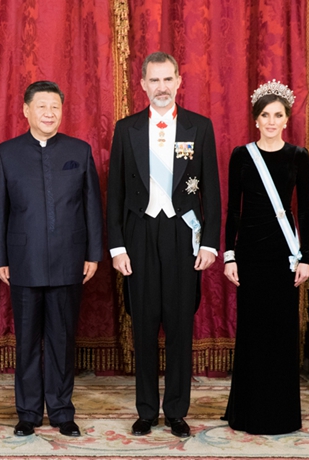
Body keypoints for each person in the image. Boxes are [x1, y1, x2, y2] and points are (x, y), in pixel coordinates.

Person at [107, 52, 221, 438]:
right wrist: (117, 247)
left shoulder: (199, 127)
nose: (161, 87)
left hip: (182, 235)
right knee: (143, 326)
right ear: (142, 84)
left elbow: (212, 192)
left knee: (179, 326)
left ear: (178, 81)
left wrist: (209, 244)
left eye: (167, 79)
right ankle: (145, 411)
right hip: (139, 235)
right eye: (154, 80)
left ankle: (175, 410)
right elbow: (114, 193)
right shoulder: (126, 129)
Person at [0, 81, 103, 438]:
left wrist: (93, 253)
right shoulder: (6, 153)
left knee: (62, 341)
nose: (49, 113)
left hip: (70, 261)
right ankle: (27, 413)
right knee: (27, 342)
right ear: (26, 110)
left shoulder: (79, 151)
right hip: (23, 261)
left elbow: (92, 206)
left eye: (55, 106)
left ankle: (62, 411)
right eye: (41, 106)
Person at [222, 80, 309, 434]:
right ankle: (248, 412)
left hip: (284, 255)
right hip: (250, 256)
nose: (271, 121)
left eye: (277, 115)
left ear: (286, 119)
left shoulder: (298, 156)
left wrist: (306, 258)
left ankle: (281, 415)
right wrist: (230, 256)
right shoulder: (241, 156)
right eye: (265, 115)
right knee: (253, 333)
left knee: (281, 334)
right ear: (256, 119)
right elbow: (233, 210)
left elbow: (305, 212)